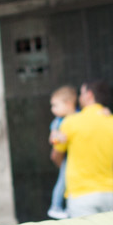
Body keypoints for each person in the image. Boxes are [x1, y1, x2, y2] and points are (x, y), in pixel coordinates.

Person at [53, 79, 113, 218]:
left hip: (80, 195)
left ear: (89, 95)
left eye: (81, 93)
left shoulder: (71, 122)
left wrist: (65, 170)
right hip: (108, 194)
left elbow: (56, 155)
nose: (79, 98)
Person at [45, 85, 78, 218]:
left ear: (68, 103)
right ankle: (56, 207)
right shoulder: (57, 122)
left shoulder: (79, 115)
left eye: (55, 105)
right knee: (62, 181)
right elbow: (52, 139)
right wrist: (58, 138)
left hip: (77, 157)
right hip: (67, 158)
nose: (53, 109)